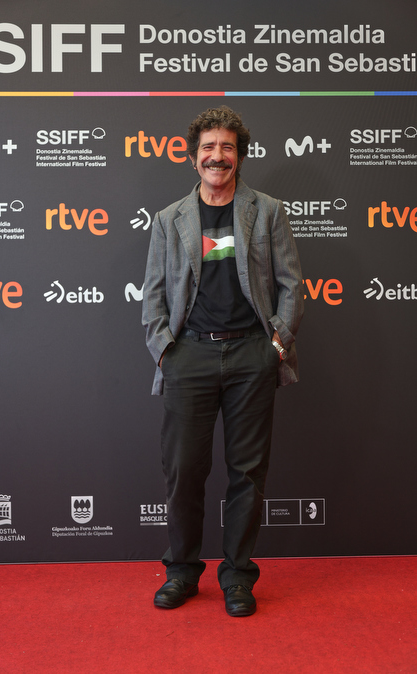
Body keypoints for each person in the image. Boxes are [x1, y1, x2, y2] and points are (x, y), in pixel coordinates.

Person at [142, 106, 304, 617]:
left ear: (240, 156)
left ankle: (237, 577)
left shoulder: (268, 211)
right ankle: (182, 572)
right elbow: (153, 294)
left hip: (252, 354)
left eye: (227, 147)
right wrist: (166, 350)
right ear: (193, 158)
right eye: (209, 147)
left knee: (247, 473)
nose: (218, 156)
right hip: (189, 353)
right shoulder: (169, 219)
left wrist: (275, 344)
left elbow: (291, 285)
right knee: (183, 470)